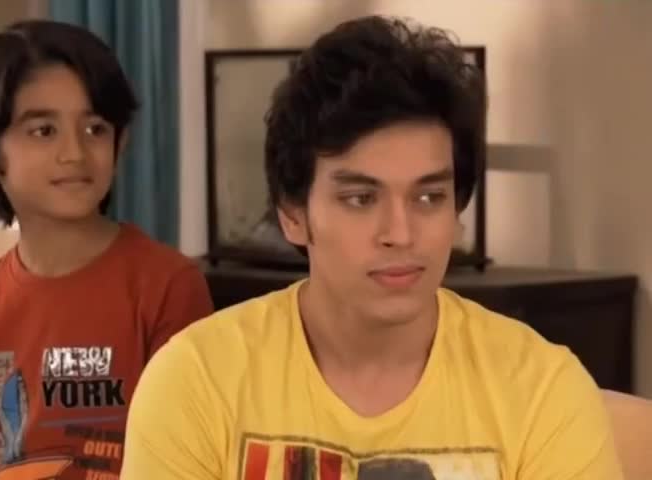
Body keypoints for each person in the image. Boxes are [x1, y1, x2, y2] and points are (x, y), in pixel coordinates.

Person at [121, 16, 623, 479]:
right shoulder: (196, 380)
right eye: (361, 199)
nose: (400, 233)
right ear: (292, 214)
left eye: (428, 197)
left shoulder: (541, 389)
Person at [0, 20, 213, 480]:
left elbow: (190, 456)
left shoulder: (167, 287)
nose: (75, 152)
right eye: (44, 130)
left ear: (120, 142)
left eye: (95, 128)